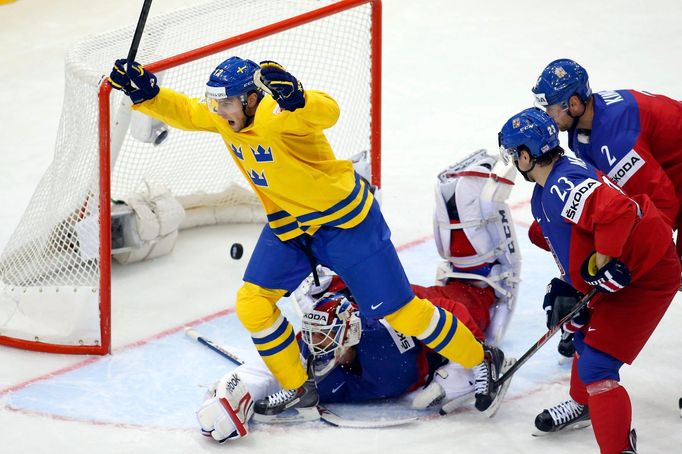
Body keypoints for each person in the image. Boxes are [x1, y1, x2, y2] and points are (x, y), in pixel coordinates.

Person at [108, 57, 507, 417]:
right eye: (216, 104)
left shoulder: (278, 116)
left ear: (251, 98)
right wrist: (149, 94)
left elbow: (326, 111)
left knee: (402, 313)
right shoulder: (224, 116)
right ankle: (300, 386)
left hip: (346, 225)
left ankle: (479, 358)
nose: (219, 112)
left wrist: (298, 98)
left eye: (226, 103)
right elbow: (187, 112)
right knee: (252, 303)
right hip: (290, 226)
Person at [498, 107, 680, 454]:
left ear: (526, 155)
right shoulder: (546, 189)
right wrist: (574, 285)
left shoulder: (563, 183)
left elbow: (618, 211)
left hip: (647, 272)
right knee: (582, 331)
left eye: (512, 153)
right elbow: (563, 230)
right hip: (624, 270)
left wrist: (607, 262)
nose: (511, 160)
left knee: (598, 364)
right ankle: (583, 406)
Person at [195, 266, 516, 443]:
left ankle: (481, 359)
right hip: (391, 350)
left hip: (443, 336)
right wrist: (232, 395)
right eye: (314, 334)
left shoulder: (384, 318)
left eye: (325, 336)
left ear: (349, 334)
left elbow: (445, 310)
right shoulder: (310, 348)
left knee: (474, 316)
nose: (317, 344)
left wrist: (473, 355)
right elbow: (265, 368)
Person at [531, 58, 682, 263]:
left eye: (550, 109)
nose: (546, 117)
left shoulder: (616, 142)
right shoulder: (587, 125)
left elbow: (663, 202)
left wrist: (653, 263)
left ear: (573, 104)